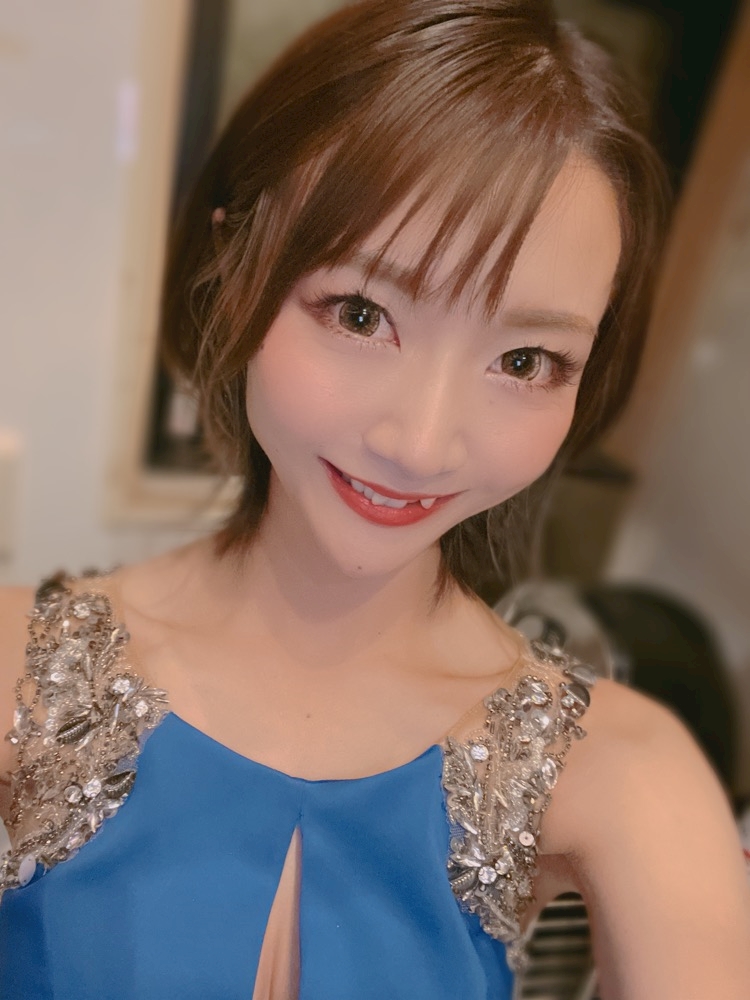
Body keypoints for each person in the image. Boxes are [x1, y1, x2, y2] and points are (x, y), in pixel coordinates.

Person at [0, 1, 748, 997]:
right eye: (362, 313)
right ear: (233, 267)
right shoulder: (16, 671)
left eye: (525, 360)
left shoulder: (628, 773)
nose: (421, 443)